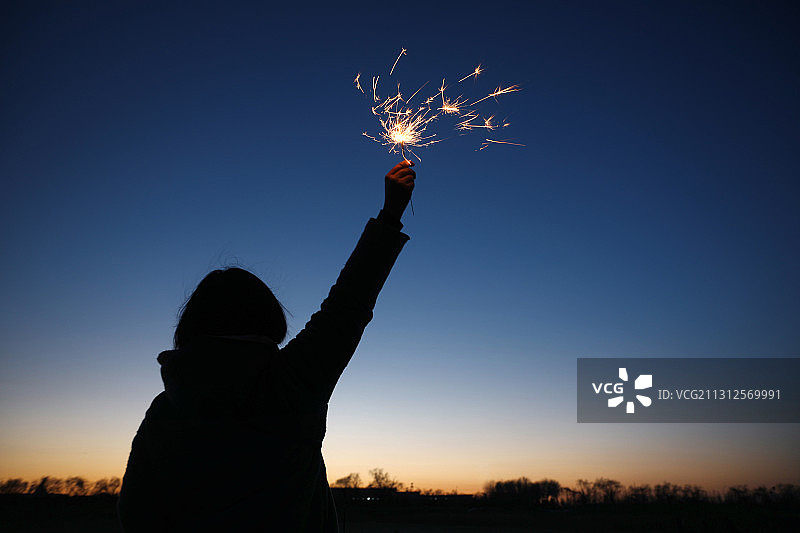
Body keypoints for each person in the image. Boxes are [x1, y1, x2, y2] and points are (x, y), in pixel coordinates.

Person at [118, 161, 416, 532]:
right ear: (267, 317)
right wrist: (390, 215)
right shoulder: (291, 383)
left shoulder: (164, 411)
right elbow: (348, 305)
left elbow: (136, 515)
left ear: (192, 324)